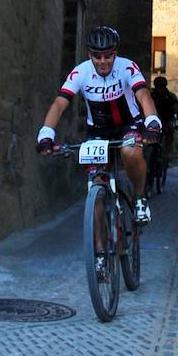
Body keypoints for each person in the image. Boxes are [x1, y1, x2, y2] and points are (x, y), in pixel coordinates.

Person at [36, 25, 162, 225]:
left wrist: (152, 122)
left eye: (108, 56)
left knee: (130, 152)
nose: (102, 61)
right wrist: (46, 134)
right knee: (96, 189)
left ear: (115, 53)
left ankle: (139, 198)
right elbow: (60, 103)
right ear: (89, 54)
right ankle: (101, 253)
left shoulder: (127, 66)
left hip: (128, 124)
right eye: (97, 56)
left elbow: (143, 94)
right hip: (98, 130)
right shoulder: (80, 72)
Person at [150, 76, 178, 164]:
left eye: (162, 87)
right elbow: (142, 107)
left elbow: (177, 111)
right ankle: (149, 152)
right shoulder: (151, 95)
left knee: (169, 133)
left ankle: (167, 154)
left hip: (168, 119)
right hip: (154, 118)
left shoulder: (171, 96)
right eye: (158, 87)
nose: (160, 89)